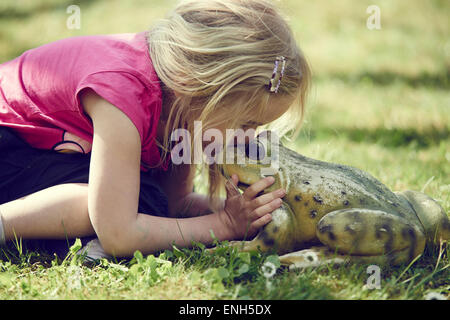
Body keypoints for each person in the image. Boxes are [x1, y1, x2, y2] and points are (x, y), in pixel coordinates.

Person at [0, 0, 310, 259]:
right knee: (129, 205)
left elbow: (176, 203)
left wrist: (251, 214)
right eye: (246, 124)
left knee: (149, 201)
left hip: (36, 156)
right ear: (201, 87)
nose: (248, 138)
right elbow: (119, 233)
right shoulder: (122, 96)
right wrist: (226, 225)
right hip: (7, 144)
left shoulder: (183, 109)